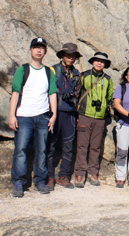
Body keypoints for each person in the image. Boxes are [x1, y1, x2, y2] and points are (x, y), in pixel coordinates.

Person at [9, 37, 57, 197]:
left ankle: (40, 181)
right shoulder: (22, 70)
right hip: (24, 116)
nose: (38, 50)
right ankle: (18, 181)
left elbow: (52, 94)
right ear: (30, 50)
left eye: (41, 48)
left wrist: (53, 115)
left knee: (42, 150)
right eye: (35, 47)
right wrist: (12, 116)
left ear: (45, 52)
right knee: (21, 149)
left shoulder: (48, 72)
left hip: (42, 116)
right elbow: (15, 93)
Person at [74, 52, 114, 188]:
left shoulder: (108, 79)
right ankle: (80, 173)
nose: (99, 63)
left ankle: (93, 172)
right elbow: (78, 93)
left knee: (96, 146)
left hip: (100, 117)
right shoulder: (84, 75)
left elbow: (109, 97)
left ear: (105, 64)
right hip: (85, 115)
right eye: (97, 60)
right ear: (92, 62)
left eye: (102, 62)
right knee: (82, 146)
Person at [46, 43, 82, 190]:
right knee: (50, 145)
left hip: (70, 114)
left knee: (68, 146)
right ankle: (49, 176)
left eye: (73, 56)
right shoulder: (52, 71)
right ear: (62, 55)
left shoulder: (77, 74)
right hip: (54, 113)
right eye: (68, 55)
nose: (71, 58)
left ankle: (63, 176)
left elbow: (78, 94)